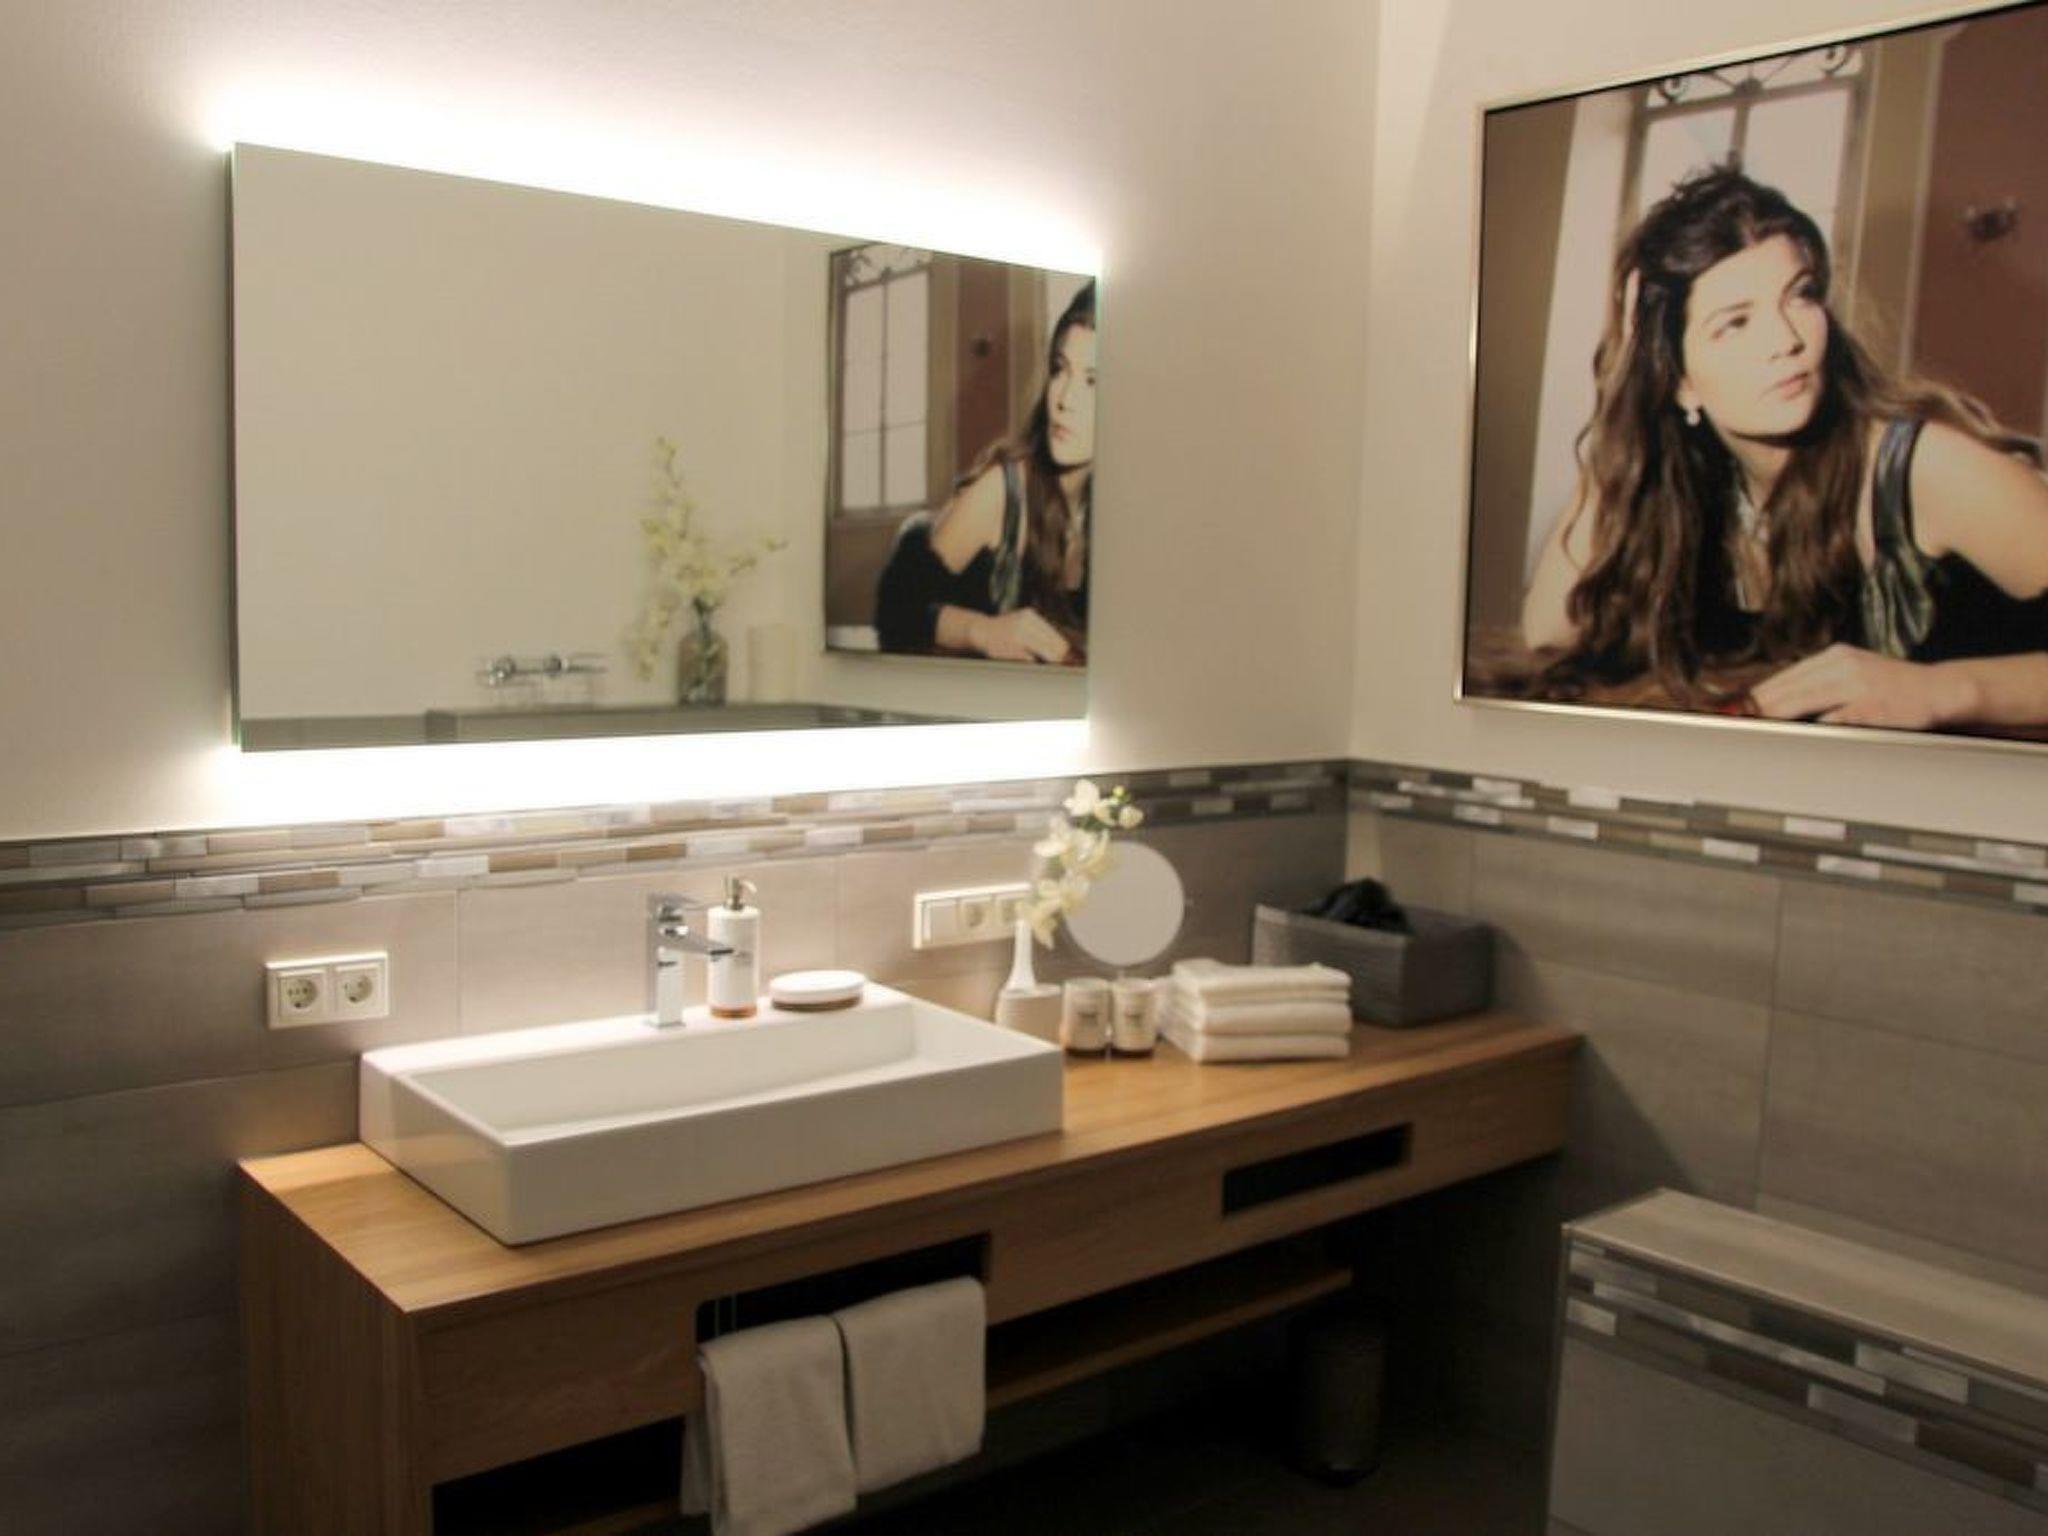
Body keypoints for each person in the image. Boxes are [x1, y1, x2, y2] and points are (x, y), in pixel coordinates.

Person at [1519, 165, 2048, 731]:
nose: (1787, 340)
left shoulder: (1927, 468)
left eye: (1800, 296)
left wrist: (1944, 690)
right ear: (1680, 381)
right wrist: (1622, 413)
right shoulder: (1701, 489)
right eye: (1736, 323)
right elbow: (1547, 637)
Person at [874, 281, 1095, 663]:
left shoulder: (1119, 511)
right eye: (1060, 369)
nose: (1064, 399)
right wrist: (980, 630)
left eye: (1093, 381)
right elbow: (895, 612)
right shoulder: (1004, 490)